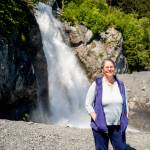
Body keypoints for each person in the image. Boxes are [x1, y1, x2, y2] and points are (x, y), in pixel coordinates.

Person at [85, 58, 128, 150]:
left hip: (117, 126)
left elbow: (125, 104)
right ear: (103, 70)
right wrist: (96, 118)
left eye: (111, 67)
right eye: (107, 67)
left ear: (114, 68)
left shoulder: (121, 85)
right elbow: (88, 103)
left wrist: (125, 118)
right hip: (100, 126)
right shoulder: (97, 84)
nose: (109, 69)